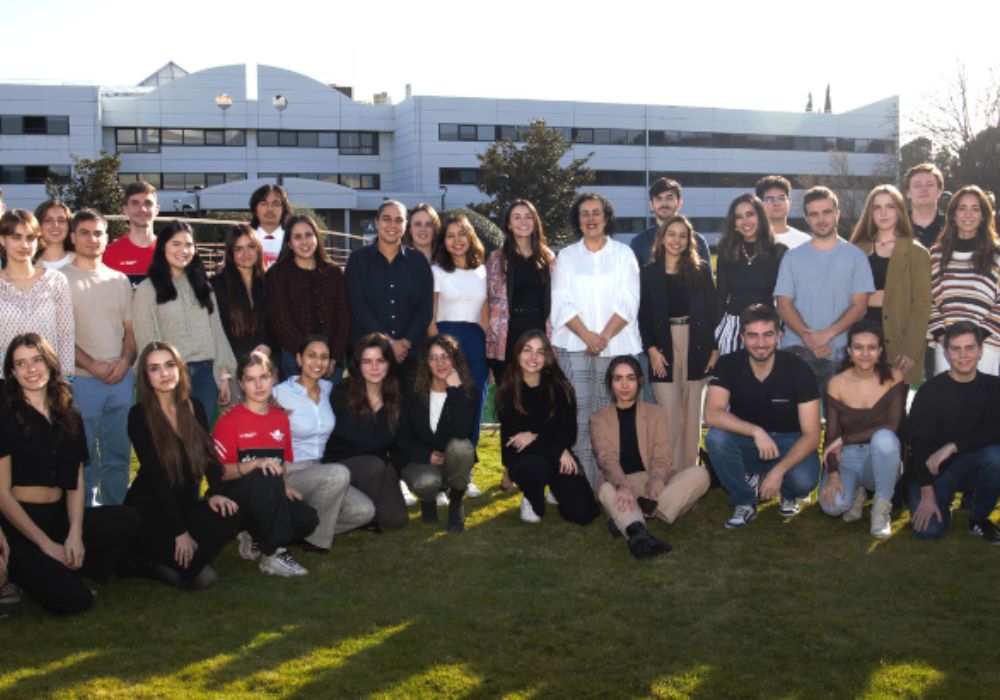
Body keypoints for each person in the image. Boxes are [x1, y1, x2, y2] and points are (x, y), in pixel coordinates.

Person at [0, 333, 139, 614]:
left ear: (50, 364)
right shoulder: (5, 414)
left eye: (37, 360)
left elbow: (75, 478)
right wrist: (46, 544)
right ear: (12, 373)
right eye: (21, 364)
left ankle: (68, 560)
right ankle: (25, 569)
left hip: (59, 516)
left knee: (127, 519)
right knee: (76, 601)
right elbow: (1, 493)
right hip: (20, 522)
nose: (31, 369)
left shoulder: (69, 412)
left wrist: (75, 532)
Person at [125, 342, 241, 589]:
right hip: (151, 512)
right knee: (201, 579)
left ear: (179, 368)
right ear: (146, 377)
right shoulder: (139, 415)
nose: (165, 373)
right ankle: (137, 561)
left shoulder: (194, 407)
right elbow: (156, 477)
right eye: (154, 369)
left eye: (169, 365)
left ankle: (177, 557)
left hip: (184, 506)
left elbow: (209, 458)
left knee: (229, 511)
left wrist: (216, 493)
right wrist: (180, 533)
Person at [551, 192, 642, 484]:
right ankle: (584, 483)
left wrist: (602, 337)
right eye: (584, 213)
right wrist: (588, 336)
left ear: (606, 218)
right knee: (578, 416)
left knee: (610, 418)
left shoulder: (624, 254)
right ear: (578, 220)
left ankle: (612, 483)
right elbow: (561, 302)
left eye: (596, 213)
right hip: (575, 346)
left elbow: (629, 301)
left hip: (616, 347)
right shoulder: (566, 256)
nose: (590, 219)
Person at [704, 305, 821, 527]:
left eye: (768, 335)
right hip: (749, 440)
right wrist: (755, 431)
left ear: (779, 336)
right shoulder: (728, 364)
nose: (760, 343)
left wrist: (778, 471)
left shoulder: (799, 370)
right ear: (741, 338)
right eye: (752, 336)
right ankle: (744, 501)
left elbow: (812, 435)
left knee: (804, 481)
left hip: (789, 440)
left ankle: (785, 489)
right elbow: (711, 413)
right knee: (716, 438)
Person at [590, 356, 708, 558]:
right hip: (621, 480)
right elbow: (606, 458)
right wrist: (623, 486)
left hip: (652, 480)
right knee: (606, 489)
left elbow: (662, 457)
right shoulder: (598, 419)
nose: (625, 385)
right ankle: (638, 534)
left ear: (640, 381)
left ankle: (630, 516)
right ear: (610, 383)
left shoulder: (656, 413)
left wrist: (656, 480)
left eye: (631, 378)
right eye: (618, 379)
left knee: (700, 474)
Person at [211, 351, 317, 576]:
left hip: (268, 495)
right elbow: (219, 474)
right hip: (235, 501)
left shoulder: (280, 418)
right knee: (264, 474)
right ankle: (274, 554)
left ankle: (255, 535)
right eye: (250, 379)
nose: (259, 385)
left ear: (273, 378)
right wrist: (255, 464)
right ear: (241, 383)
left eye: (264, 377)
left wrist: (286, 486)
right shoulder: (228, 422)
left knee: (307, 519)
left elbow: (281, 463)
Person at [273, 336, 375, 551]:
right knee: (338, 474)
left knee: (365, 511)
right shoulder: (279, 394)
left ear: (330, 363)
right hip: (290, 471)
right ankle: (315, 541)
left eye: (324, 357)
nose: (317, 362)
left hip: (320, 469)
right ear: (299, 359)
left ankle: (296, 531)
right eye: (311, 356)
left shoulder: (330, 390)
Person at [63, 209, 137, 506]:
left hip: (120, 381)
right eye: (85, 232)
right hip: (81, 382)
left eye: (98, 233)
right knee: (85, 458)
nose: (92, 239)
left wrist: (124, 362)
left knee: (118, 454)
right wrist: (91, 365)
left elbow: (130, 331)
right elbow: (60, 335)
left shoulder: (119, 280)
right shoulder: (59, 280)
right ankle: (87, 521)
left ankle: (117, 518)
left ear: (107, 238)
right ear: (73, 237)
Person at [133, 220, 236, 421]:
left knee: (202, 437)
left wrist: (224, 375)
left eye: (188, 245)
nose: (184, 250)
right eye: (176, 244)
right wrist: (161, 376)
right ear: (163, 247)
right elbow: (147, 339)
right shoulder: (147, 289)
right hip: (171, 376)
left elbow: (217, 332)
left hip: (207, 375)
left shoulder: (203, 286)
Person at [775, 186, 873, 397]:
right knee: (793, 426)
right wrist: (810, 339)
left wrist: (826, 335)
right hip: (797, 352)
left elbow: (860, 306)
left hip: (839, 354)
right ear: (807, 219)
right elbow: (783, 304)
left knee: (838, 426)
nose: (821, 219)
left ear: (837, 213)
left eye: (826, 212)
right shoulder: (792, 257)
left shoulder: (856, 257)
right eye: (814, 214)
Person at [907, 322, 1000, 543]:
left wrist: (954, 446)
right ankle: (942, 500)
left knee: (996, 456)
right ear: (946, 353)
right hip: (934, 471)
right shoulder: (930, 392)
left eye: (969, 348)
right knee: (929, 532)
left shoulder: (994, 387)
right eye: (956, 349)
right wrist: (928, 493)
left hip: (973, 465)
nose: (963, 355)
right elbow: (918, 446)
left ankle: (978, 518)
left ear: (980, 350)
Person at [639, 214, 718, 473]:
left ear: (689, 240)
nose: (677, 240)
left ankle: (689, 477)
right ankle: (667, 475)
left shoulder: (701, 270)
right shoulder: (649, 274)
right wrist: (651, 350)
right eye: (671, 234)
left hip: (697, 344)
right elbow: (643, 316)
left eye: (683, 235)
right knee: (670, 416)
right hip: (663, 347)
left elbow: (711, 312)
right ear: (662, 238)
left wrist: (714, 349)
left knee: (692, 415)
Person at [497, 331, 600, 525]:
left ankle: (555, 486)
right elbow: (516, 441)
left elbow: (569, 433)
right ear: (518, 353)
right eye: (527, 350)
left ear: (547, 357)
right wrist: (554, 447)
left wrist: (536, 437)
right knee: (536, 467)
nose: (533, 358)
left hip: (557, 452)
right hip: (525, 458)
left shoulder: (559, 386)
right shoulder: (508, 390)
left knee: (584, 514)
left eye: (540, 352)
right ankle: (531, 496)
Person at [817, 321, 906, 538]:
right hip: (847, 457)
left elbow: (892, 426)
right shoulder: (836, 383)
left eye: (871, 347)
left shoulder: (895, 378)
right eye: (858, 347)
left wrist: (844, 438)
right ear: (849, 351)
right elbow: (831, 436)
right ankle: (856, 492)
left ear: (880, 351)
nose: (865, 354)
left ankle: (881, 509)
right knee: (833, 506)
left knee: (885, 438)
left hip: (882, 457)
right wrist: (834, 473)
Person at [322, 333, 408, 530]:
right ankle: (355, 512)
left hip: (377, 467)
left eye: (380, 360)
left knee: (396, 520)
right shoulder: (341, 394)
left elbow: (399, 443)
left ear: (389, 363)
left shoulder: (396, 397)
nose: (375, 367)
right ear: (358, 365)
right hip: (341, 468)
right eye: (367, 362)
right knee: (373, 465)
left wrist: (396, 471)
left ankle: (364, 511)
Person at [848, 185, 931, 384]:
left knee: (894, 410)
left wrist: (911, 350)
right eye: (877, 207)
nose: (883, 213)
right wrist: (871, 298)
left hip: (898, 340)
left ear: (900, 211)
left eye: (890, 206)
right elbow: (843, 294)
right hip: (861, 340)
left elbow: (922, 305)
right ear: (870, 212)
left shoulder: (916, 253)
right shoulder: (855, 249)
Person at [394, 335, 476, 532]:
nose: (440, 363)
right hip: (419, 460)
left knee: (463, 447)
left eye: (445, 356)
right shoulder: (412, 391)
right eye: (433, 358)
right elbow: (401, 437)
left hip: (450, 461)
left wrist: (455, 389)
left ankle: (456, 503)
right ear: (426, 363)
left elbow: (463, 431)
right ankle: (428, 501)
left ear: (455, 360)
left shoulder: (465, 391)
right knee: (427, 482)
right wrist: (426, 455)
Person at [346, 201, 433, 379]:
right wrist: (390, 343)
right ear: (377, 222)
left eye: (398, 220)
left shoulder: (418, 262)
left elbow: (425, 310)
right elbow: (359, 308)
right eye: (386, 219)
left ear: (405, 225)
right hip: (369, 358)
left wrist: (404, 343)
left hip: (411, 356)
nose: (392, 225)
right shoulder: (358, 260)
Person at [429, 213, 488, 453]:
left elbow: (485, 316)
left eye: (461, 234)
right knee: (445, 401)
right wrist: (436, 352)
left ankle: (466, 466)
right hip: (446, 340)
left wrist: (490, 355)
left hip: (476, 341)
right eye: (450, 236)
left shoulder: (484, 272)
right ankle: (441, 464)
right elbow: (429, 317)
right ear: (443, 242)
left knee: (475, 401)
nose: (456, 240)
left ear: (470, 237)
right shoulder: (437, 271)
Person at [265, 214, 349, 380]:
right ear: (289, 243)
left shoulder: (334, 273)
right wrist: (307, 357)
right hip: (295, 361)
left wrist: (333, 357)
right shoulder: (277, 275)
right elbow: (281, 322)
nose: (304, 242)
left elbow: (344, 319)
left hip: (331, 363)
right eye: (297, 237)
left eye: (308, 235)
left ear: (317, 238)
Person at [927, 185, 1000, 375]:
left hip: (987, 345)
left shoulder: (996, 255)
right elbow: (928, 299)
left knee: (984, 403)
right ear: (952, 214)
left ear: (984, 215)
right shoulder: (936, 254)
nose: (968, 214)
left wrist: (977, 338)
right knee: (947, 403)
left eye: (975, 209)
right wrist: (944, 337)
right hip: (947, 346)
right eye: (962, 208)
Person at [486, 199, 555, 383]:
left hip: (540, 332)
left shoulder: (548, 258)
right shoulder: (497, 259)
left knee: (538, 395)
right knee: (509, 397)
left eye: (528, 217)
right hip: (508, 335)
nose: (523, 222)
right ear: (509, 224)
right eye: (516, 217)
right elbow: (490, 302)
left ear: (535, 221)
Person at [0, 210, 74, 378]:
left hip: (49, 379)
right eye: (16, 237)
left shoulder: (56, 280)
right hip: (5, 381)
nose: (24, 245)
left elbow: (66, 333)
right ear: (2, 239)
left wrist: (66, 376)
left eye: (30, 238)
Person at [714, 194, 787, 355]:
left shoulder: (779, 252)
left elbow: (785, 299)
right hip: (732, 328)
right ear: (734, 223)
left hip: (766, 330)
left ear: (761, 217)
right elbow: (720, 296)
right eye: (739, 217)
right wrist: (715, 334)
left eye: (750, 214)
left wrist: (780, 327)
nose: (745, 221)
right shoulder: (726, 251)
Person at [210, 225, 277, 373]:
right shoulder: (217, 285)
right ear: (230, 253)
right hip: (233, 367)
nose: (246, 253)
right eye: (238, 248)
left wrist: (268, 345)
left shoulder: (270, 283)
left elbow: (276, 323)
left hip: (267, 365)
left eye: (251, 246)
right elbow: (218, 331)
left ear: (258, 249)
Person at [629, 177, 710, 267]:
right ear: (651, 205)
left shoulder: (697, 241)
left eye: (669, 198)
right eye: (659, 198)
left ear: (679, 203)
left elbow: (706, 279)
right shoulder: (639, 243)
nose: (664, 203)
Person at [105, 180, 159, 287]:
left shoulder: (170, 251)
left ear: (157, 210)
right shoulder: (109, 254)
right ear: (125, 210)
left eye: (148, 203)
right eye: (135, 203)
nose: (142, 209)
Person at [754, 175, 811, 249]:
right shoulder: (751, 239)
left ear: (790, 202)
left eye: (781, 198)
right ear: (759, 204)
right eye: (770, 199)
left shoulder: (804, 241)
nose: (776, 203)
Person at [250, 183, 292, 269]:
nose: (270, 209)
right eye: (264, 204)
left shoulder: (293, 240)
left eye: (275, 204)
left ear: (284, 209)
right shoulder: (242, 239)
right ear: (255, 209)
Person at [905, 163, 946, 250]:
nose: (924, 189)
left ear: (939, 191)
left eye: (929, 184)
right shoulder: (897, 227)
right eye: (917, 185)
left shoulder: (952, 227)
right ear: (908, 192)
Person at [34, 199, 74, 270]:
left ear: (69, 226)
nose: (55, 225)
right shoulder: (28, 265)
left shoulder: (82, 262)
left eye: (61, 220)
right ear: (38, 225)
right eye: (48, 220)